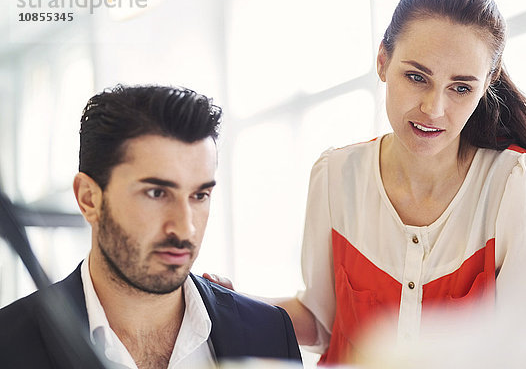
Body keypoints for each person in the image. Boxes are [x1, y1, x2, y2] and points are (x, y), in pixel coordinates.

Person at [206, 0, 526, 365]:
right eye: (416, 77)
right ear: (383, 61)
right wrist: (232, 305)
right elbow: (322, 323)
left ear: (487, 84)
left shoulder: (512, 181)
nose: (433, 108)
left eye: (460, 88)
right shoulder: (335, 174)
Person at [0, 85, 302, 368]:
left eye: (199, 195)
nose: (185, 229)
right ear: (89, 199)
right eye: (157, 193)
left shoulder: (270, 333)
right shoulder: (8, 344)